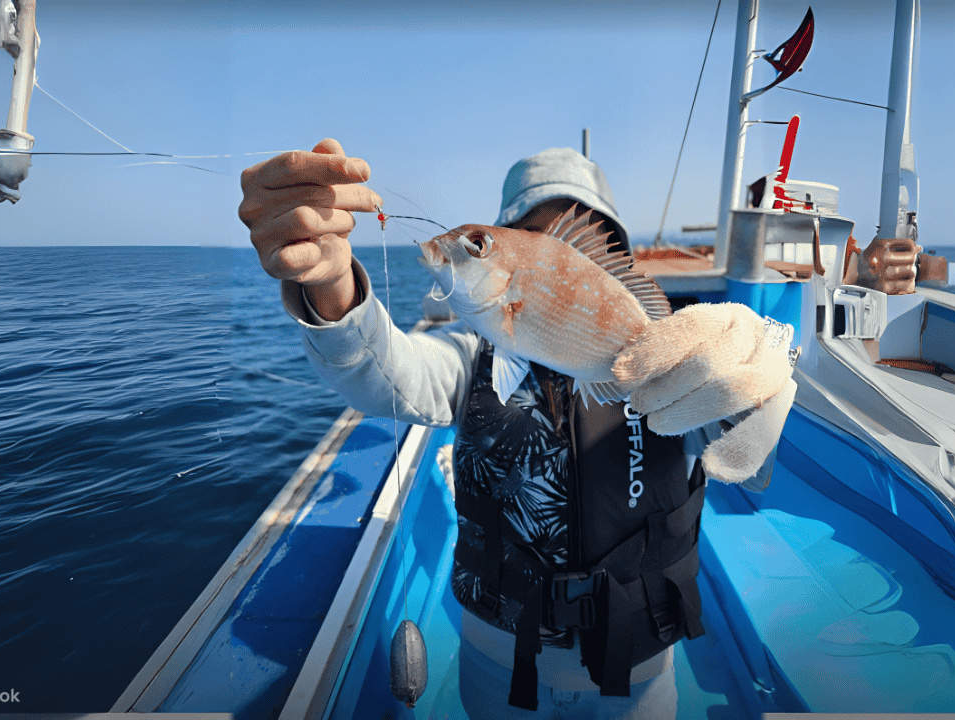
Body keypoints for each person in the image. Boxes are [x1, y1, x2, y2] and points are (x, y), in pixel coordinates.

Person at [239, 139, 797, 717]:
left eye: (583, 235)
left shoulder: (667, 362)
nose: (556, 255)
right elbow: (386, 374)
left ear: (614, 250)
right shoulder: (469, 357)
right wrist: (332, 289)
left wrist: (760, 388)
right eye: (534, 234)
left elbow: (749, 462)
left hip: (642, 664)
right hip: (500, 663)